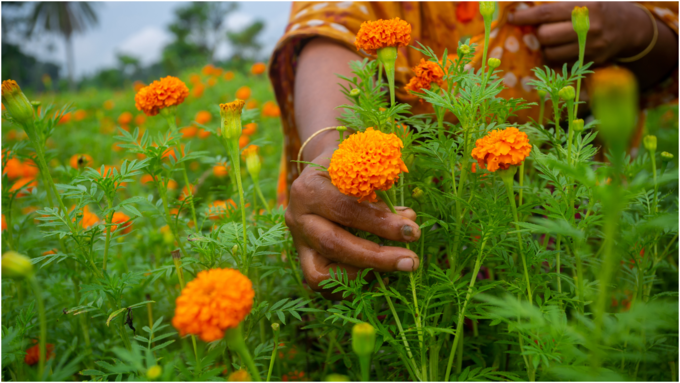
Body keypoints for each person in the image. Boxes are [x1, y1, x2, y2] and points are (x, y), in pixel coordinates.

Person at [267, 2, 679, 296]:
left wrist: (636, 27)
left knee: (576, 319)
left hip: (574, 219)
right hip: (412, 220)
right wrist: (331, 147)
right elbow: (330, 27)